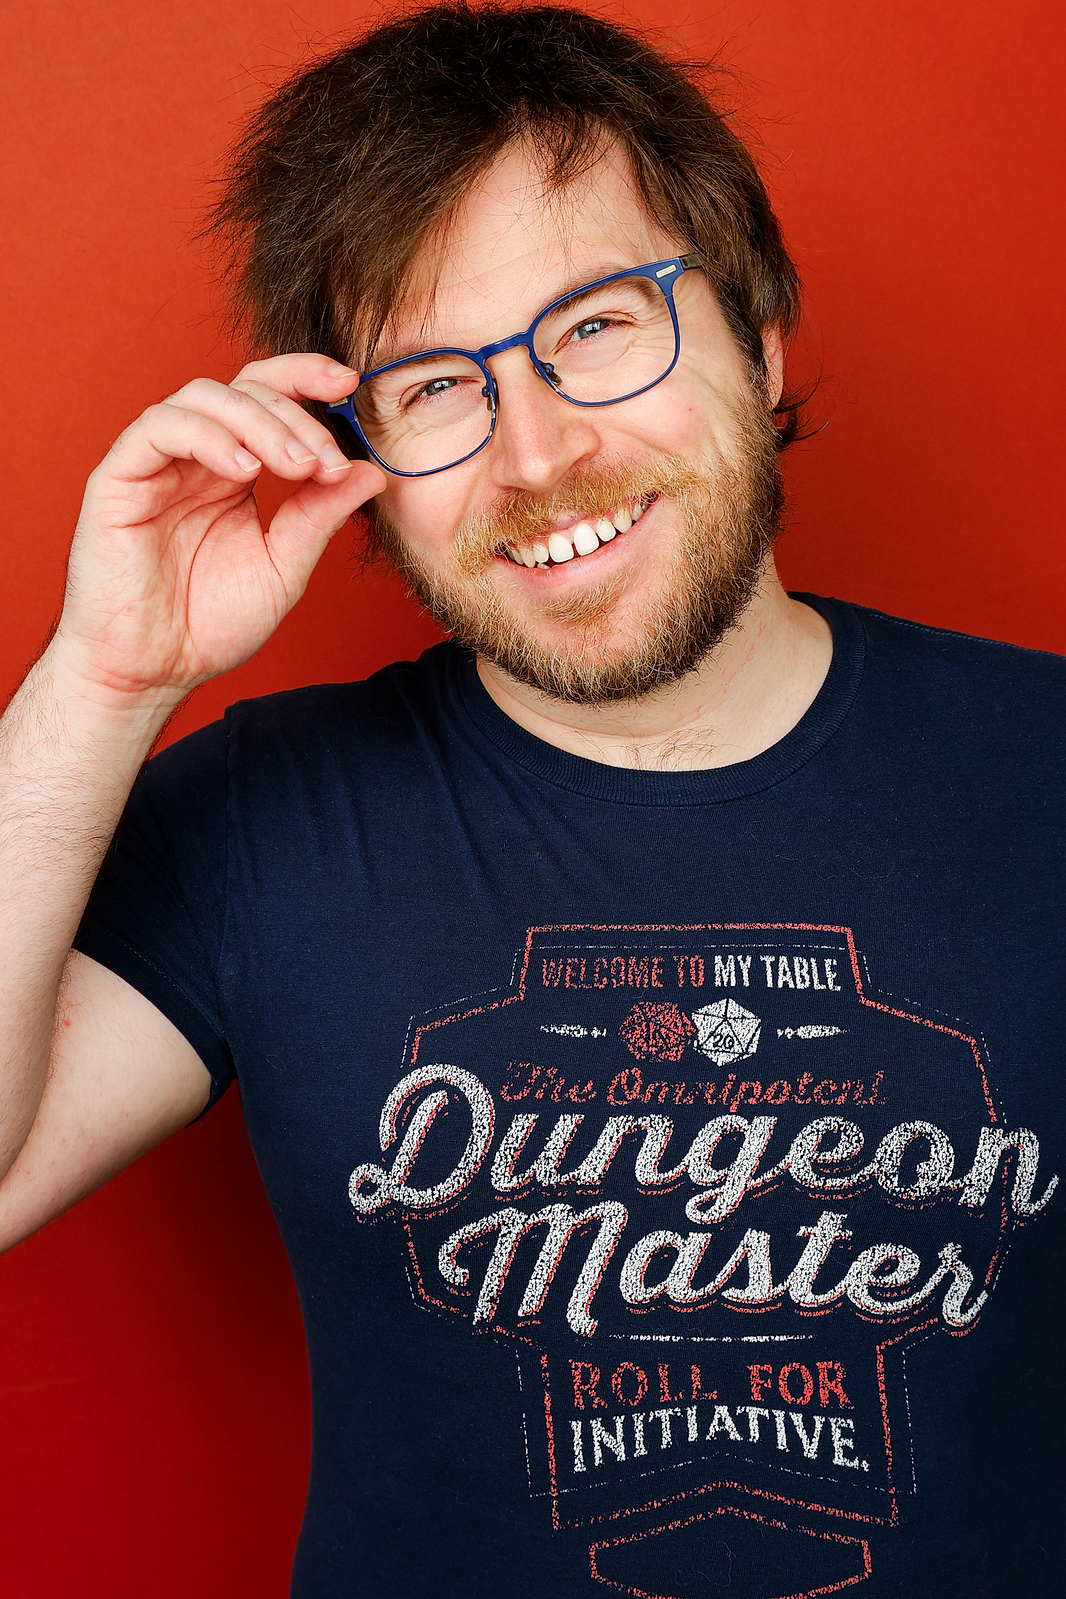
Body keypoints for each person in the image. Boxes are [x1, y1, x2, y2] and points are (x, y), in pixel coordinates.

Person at [0, 4, 1061, 1595]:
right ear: (356, 458)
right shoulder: (264, 819)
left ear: (762, 337)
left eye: (599, 325)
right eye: (433, 386)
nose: (537, 453)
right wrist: (103, 679)